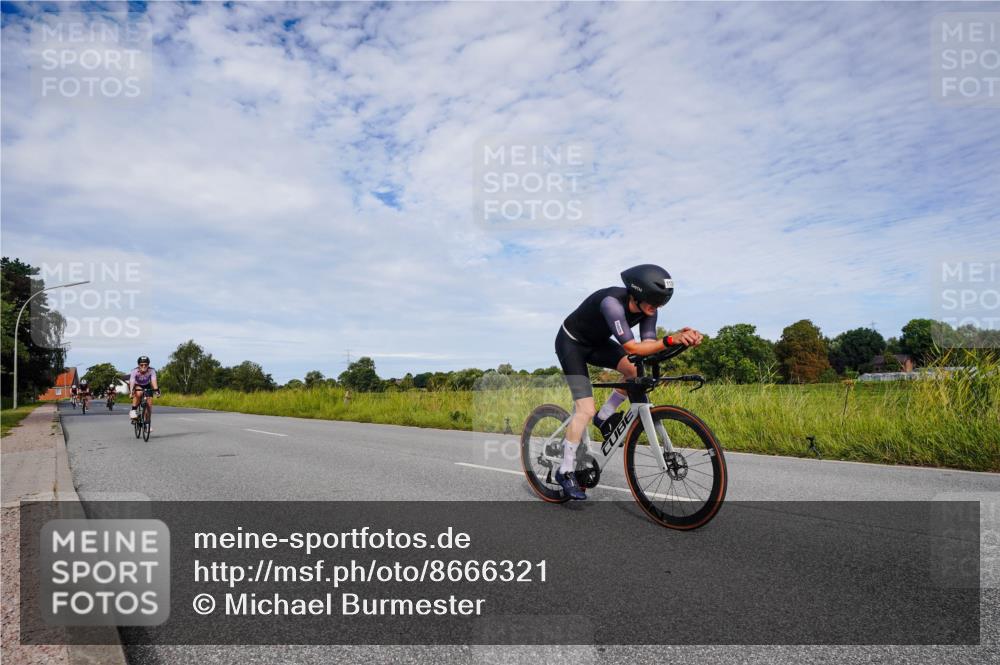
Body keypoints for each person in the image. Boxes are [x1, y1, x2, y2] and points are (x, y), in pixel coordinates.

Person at [554, 264, 703, 500]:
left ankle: (605, 415)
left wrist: (680, 341)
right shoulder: (611, 303)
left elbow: (647, 348)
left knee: (634, 371)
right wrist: (671, 339)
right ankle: (565, 469)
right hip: (572, 344)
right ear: (638, 293)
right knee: (585, 409)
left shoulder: (649, 309)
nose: (656, 309)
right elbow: (632, 347)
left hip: (598, 343)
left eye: (661, 304)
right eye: (653, 303)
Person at [128, 356, 160, 423]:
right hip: (137, 385)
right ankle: (133, 411)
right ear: (138, 365)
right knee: (139, 393)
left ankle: (147, 421)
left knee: (149, 404)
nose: (144, 366)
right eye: (141, 365)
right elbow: (132, 381)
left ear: (148, 365)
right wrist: (131, 392)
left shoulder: (152, 370)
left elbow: (153, 380)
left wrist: (156, 390)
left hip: (147, 385)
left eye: (146, 364)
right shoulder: (134, 371)